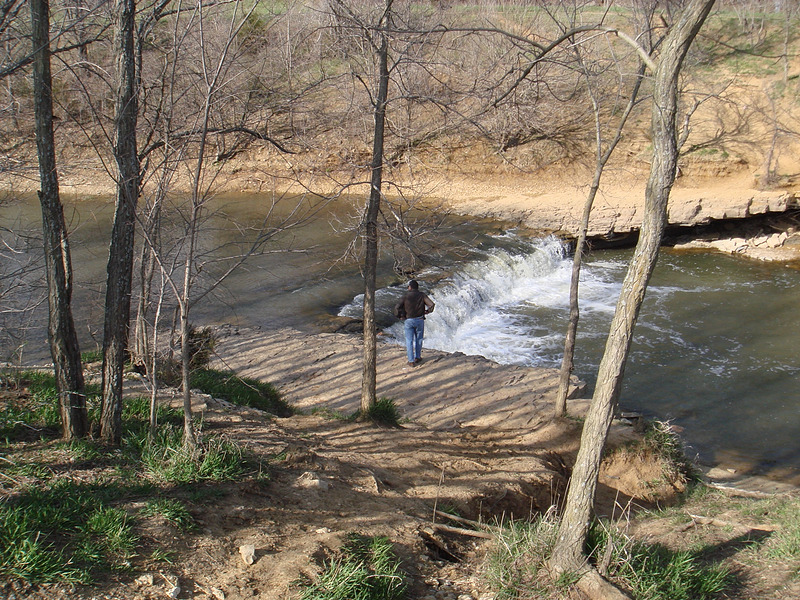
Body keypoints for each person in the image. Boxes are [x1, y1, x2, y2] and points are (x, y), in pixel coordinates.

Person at [394, 280, 435, 367]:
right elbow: (431, 305)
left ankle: (411, 361)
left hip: (409, 320)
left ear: (410, 287)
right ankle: (418, 357)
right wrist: (427, 311)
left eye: (408, 286)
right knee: (419, 339)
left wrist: (400, 316)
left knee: (409, 341)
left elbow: (397, 308)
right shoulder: (422, 295)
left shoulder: (405, 296)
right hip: (419, 320)